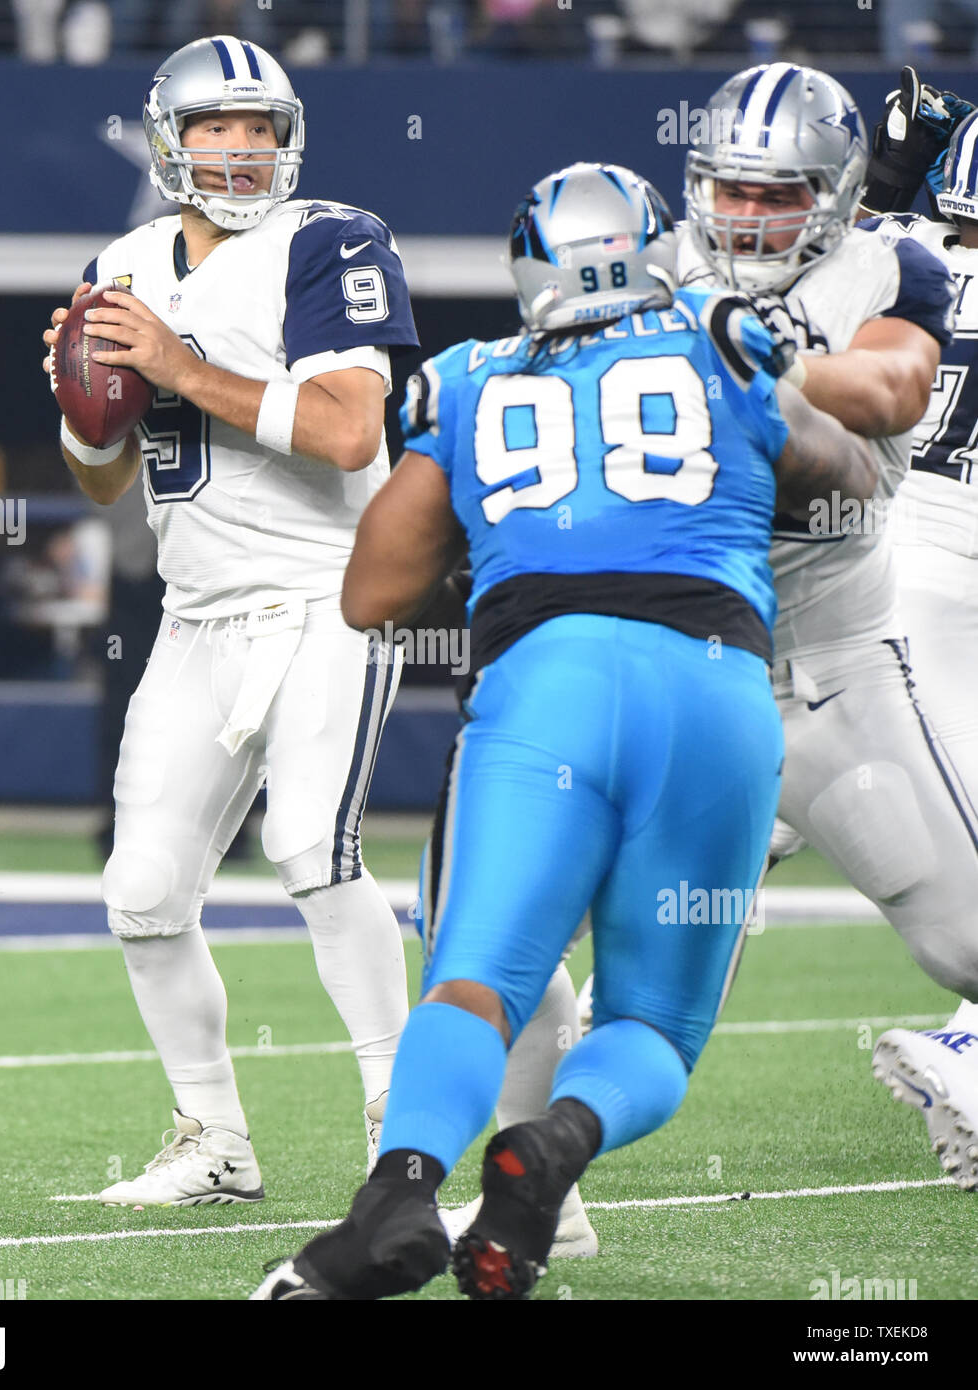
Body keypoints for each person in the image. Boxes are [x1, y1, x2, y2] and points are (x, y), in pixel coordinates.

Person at [252, 161, 878, 1300]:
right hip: (714, 687)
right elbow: (843, 480)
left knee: (474, 981)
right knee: (651, 1020)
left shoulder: (468, 378)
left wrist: (489, 542)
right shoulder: (718, 336)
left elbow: (371, 593)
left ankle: (393, 1193)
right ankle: (550, 1151)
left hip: (541, 683)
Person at [42, 34, 419, 1206]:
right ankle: (212, 1136)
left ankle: (398, 1132)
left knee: (312, 847)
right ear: (170, 140)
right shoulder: (125, 259)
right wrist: (84, 406)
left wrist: (175, 360)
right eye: (216, 126)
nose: (242, 147)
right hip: (196, 617)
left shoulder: (331, 239)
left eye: (259, 126)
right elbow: (107, 480)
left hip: (326, 597)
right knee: (141, 889)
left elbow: (352, 430)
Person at [852, 79, 978, 1187]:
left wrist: (891, 175)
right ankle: (969, 1054)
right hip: (953, 585)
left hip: (865, 564)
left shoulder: (903, 257)